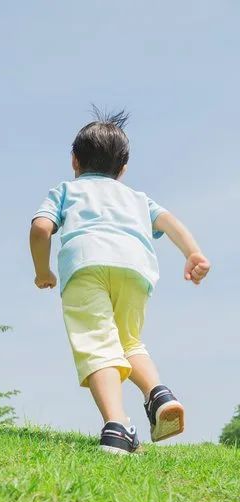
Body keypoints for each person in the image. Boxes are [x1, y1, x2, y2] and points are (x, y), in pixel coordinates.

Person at [29, 107, 210, 455]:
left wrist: (42, 271)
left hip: (87, 266)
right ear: (123, 169)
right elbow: (169, 222)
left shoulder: (66, 190)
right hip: (135, 269)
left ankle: (117, 428)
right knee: (129, 342)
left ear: (74, 160)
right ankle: (158, 394)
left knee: (98, 345)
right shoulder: (138, 198)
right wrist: (193, 253)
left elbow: (40, 229)